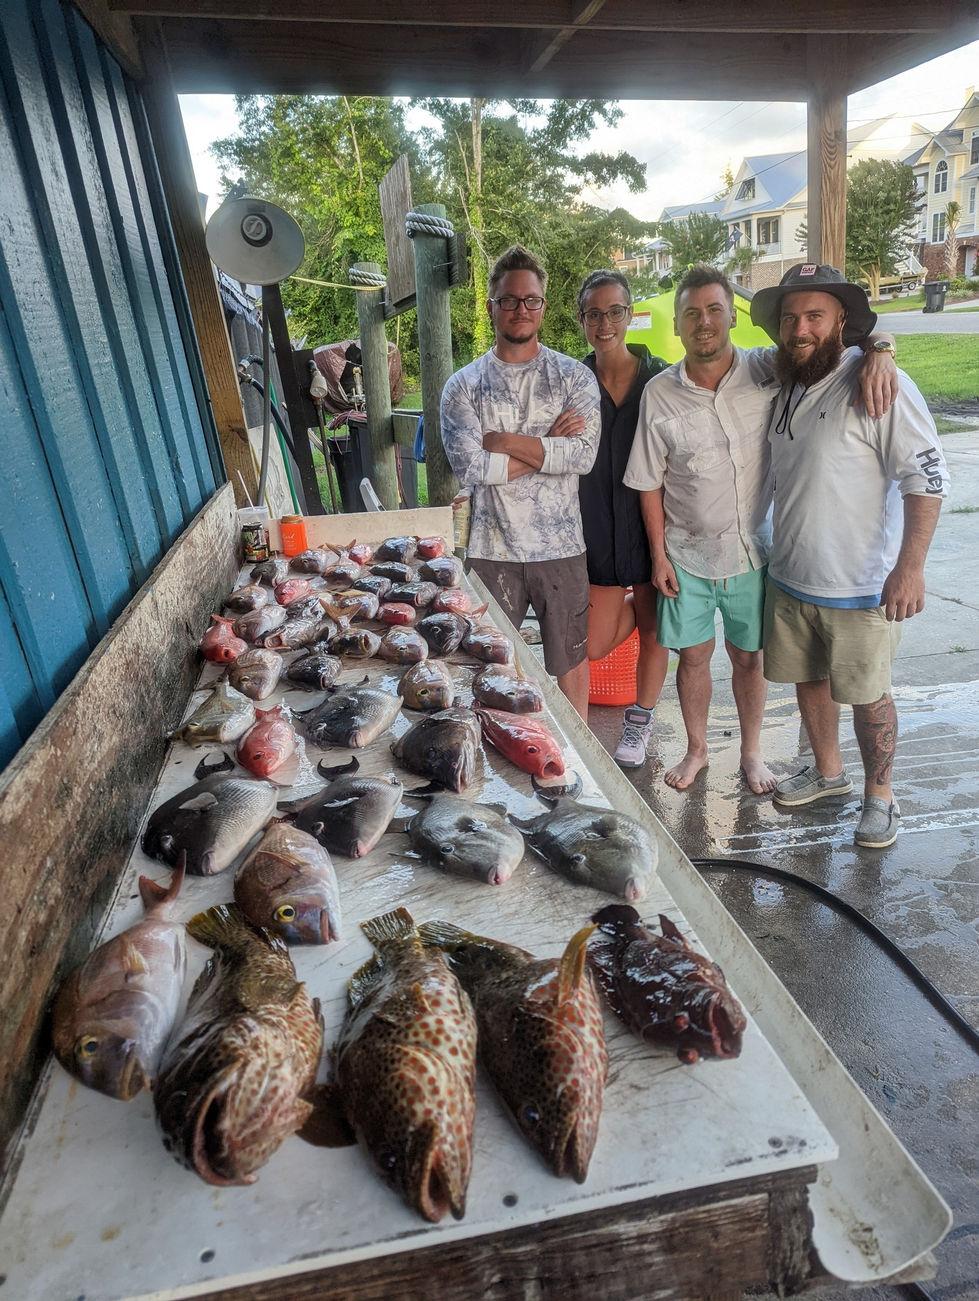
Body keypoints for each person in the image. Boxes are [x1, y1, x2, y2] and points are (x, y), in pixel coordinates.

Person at [624, 263, 898, 795]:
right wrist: (658, 555)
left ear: (732, 317)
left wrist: (881, 347)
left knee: (750, 659)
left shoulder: (768, 369)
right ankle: (698, 749)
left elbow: (827, 348)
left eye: (714, 310)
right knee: (695, 658)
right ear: (677, 326)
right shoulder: (659, 394)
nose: (704, 322)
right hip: (686, 555)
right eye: (691, 313)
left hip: (756, 552)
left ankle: (751, 754)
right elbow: (648, 482)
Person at [750, 262, 948, 848]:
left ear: (843, 321)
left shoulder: (878, 381)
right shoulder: (786, 378)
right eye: (790, 318)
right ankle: (829, 774)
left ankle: (880, 797)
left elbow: (926, 477)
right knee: (809, 680)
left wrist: (910, 567)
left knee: (868, 693)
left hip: (861, 584)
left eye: (815, 315)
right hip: (791, 576)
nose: (800, 327)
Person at [440, 245, 601, 718]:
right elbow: (472, 468)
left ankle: (581, 759)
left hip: (561, 546)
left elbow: (584, 455)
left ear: (544, 307)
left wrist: (506, 440)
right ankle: (497, 749)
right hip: (491, 551)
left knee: (570, 660)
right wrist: (549, 443)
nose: (520, 310)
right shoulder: (464, 385)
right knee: (489, 665)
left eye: (531, 300)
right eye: (509, 300)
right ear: (491, 306)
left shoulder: (573, 376)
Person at [576, 269, 670, 767]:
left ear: (630, 315)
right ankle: (637, 605)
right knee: (590, 646)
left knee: (658, 632)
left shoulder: (661, 379)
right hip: (596, 531)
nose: (605, 322)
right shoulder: (571, 381)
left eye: (615, 311)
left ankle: (640, 719)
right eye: (595, 313)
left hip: (653, 526)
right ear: (582, 319)